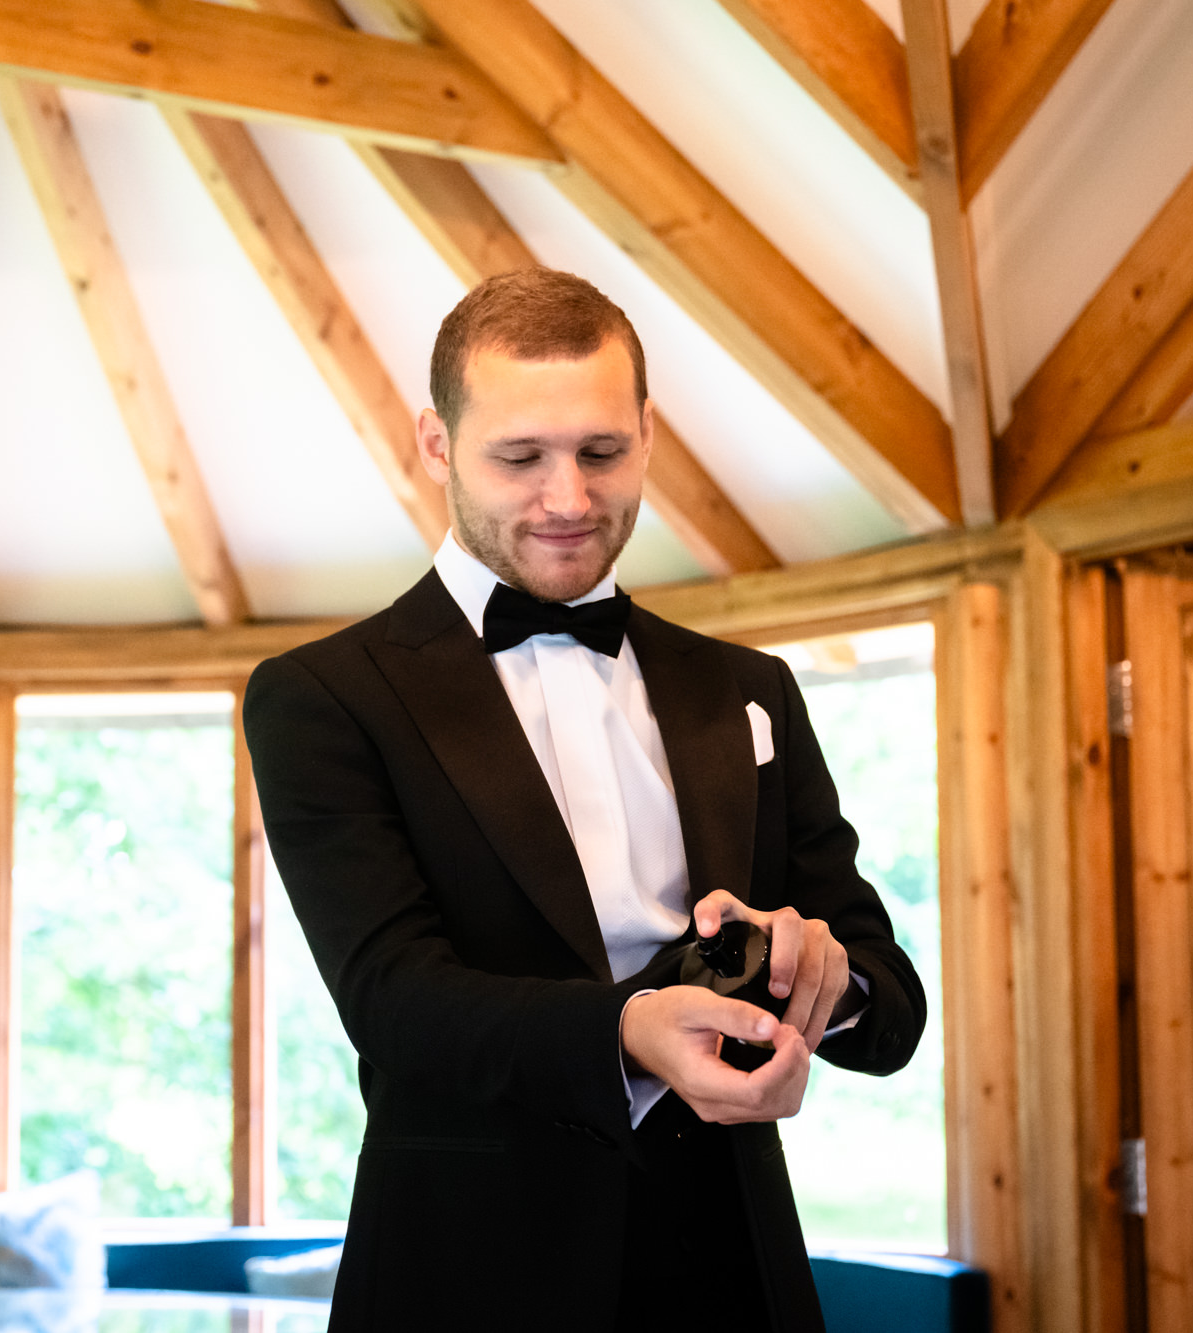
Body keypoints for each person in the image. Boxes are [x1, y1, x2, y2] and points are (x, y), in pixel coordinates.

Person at [242, 269, 926, 1332]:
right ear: (436, 445)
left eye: (601, 451)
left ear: (645, 432)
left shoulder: (747, 689)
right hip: (463, 1277)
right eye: (518, 457)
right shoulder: (321, 696)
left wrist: (822, 980)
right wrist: (628, 1028)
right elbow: (396, 1003)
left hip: (732, 1276)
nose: (567, 498)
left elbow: (889, 1004)